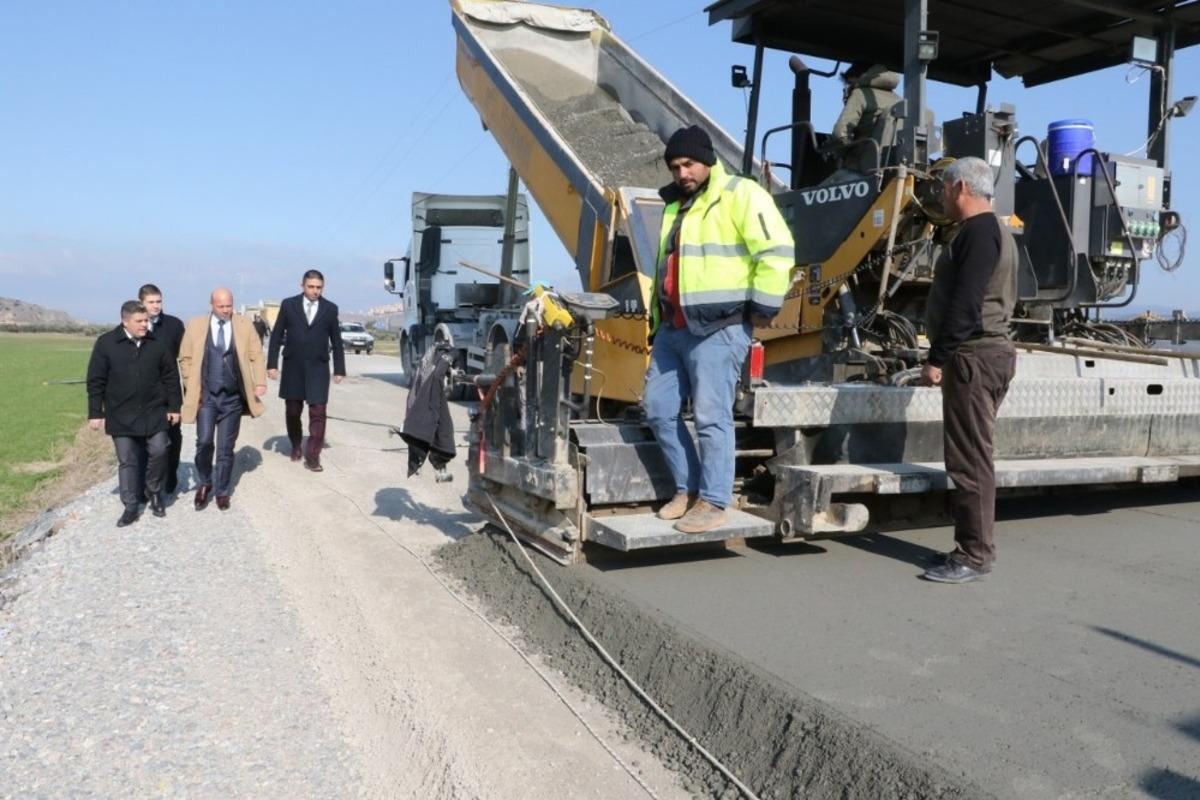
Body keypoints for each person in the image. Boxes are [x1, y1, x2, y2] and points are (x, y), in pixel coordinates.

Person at [644, 125, 794, 534]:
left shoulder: (741, 195)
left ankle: (713, 500)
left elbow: (777, 250)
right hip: (673, 328)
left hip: (719, 327)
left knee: (711, 417)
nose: (681, 173)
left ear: (707, 160)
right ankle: (686, 489)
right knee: (658, 409)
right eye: (675, 166)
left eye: (688, 164)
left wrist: (764, 304)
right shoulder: (676, 206)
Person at [920, 156, 1018, 584]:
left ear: (960, 187)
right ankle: (975, 548)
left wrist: (937, 357)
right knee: (975, 455)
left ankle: (974, 555)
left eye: (944, 189)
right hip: (987, 352)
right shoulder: (998, 231)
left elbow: (965, 302)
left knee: (969, 460)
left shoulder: (977, 233)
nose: (942, 197)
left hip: (972, 357)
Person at [86, 300, 182, 526]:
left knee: (160, 449)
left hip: (154, 411)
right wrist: (95, 412)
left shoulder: (157, 344)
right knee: (128, 460)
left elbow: (170, 378)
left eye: (146, 320)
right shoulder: (106, 343)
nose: (144, 325)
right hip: (121, 413)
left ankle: (154, 492)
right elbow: (95, 380)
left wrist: (174, 407)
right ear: (124, 321)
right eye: (139, 321)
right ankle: (130, 506)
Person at [178, 287, 267, 511]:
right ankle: (205, 482)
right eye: (221, 306)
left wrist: (260, 381)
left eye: (229, 305)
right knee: (204, 443)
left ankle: (223, 491)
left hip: (232, 399)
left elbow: (256, 355)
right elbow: (185, 357)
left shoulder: (244, 325)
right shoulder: (196, 325)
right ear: (212, 304)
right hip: (206, 397)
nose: (226, 310)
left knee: (226, 448)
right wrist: (191, 384)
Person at [267, 269, 346, 472]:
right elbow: (276, 336)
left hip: (318, 368)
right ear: (302, 286)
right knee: (293, 411)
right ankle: (295, 443)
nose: (315, 291)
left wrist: (339, 369)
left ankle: (313, 456)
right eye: (311, 287)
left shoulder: (330, 309)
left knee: (318, 411)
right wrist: (272, 364)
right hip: (293, 366)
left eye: (318, 287)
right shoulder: (288, 305)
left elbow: (336, 341)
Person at [138, 283, 185, 495]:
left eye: (158, 301)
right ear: (141, 303)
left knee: (172, 437)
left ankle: (171, 474)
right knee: (144, 439)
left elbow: (184, 359)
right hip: (141, 393)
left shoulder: (175, 325)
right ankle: (146, 483)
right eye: (151, 302)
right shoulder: (136, 325)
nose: (156, 306)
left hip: (168, 391)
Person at [823, 62, 901, 178]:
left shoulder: (860, 94)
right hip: (893, 172)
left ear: (861, 78)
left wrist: (842, 153)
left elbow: (840, 133)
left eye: (849, 84)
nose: (848, 89)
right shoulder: (899, 101)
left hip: (860, 171)